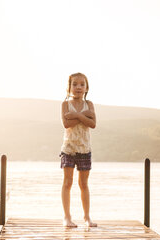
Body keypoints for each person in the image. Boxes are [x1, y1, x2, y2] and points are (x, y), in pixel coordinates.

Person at [60, 72, 97, 228]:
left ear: (86, 87)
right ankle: (67, 218)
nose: (78, 87)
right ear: (69, 87)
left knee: (83, 184)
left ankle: (87, 217)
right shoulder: (65, 105)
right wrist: (84, 116)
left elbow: (93, 124)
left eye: (82, 84)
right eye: (74, 84)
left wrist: (76, 115)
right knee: (67, 182)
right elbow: (66, 124)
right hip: (68, 148)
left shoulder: (90, 104)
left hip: (84, 149)